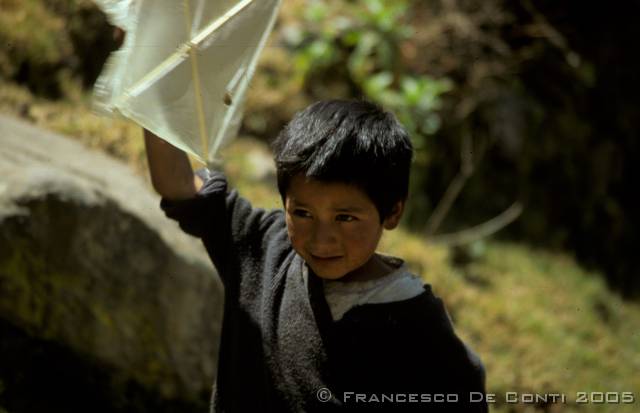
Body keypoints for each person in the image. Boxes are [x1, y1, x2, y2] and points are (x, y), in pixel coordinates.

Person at [145, 99, 488, 412]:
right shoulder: (264, 245)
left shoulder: (418, 328)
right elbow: (179, 186)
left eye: (345, 218)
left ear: (392, 213)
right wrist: (154, 87)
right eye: (303, 213)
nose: (322, 240)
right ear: (285, 204)